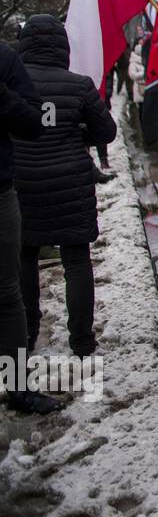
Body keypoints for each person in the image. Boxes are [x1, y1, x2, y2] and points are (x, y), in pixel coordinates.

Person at [11, 16, 117, 359]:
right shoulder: (79, 85)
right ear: (63, 47)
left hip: (21, 183)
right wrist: (75, 133)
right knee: (76, 260)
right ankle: (82, 340)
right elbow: (107, 133)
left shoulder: (9, 86)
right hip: (70, 184)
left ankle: (28, 332)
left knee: (24, 258)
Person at [1, 35, 57, 413]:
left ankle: (17, 387)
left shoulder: (4, 58)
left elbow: (36, 123)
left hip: (0, 193)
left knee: (6, 294)